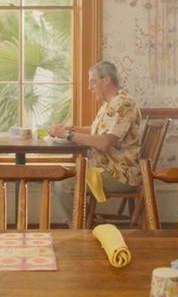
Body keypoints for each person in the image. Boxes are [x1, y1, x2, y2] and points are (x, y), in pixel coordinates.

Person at [50, 61, 142, 225]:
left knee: (63, 186)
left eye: (92, 81)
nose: (89, 87)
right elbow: (96, 131)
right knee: (59, 178)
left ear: (106, 80)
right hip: (104, 167)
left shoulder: (123, 104)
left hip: (120, 174)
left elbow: (104, 143)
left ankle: (84, 229)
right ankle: (90, 224)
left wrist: (68, 134)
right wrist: (69, 129)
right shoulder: (110, 104)